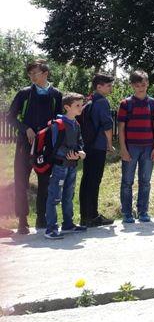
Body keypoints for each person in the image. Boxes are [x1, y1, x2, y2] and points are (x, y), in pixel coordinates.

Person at [8, 59, 63, 234]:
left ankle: (42, 218)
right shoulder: (24, 94)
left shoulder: (56, 94)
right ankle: (22, 221)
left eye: (35, 73)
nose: (32, 76)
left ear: (45, 74)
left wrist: (50, 134)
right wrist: (26, 129)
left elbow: (59, 119)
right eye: (29, 73)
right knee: (21, 181)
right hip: (25, 145)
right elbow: (10, 117)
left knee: (44, 182)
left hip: (45, 147)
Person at [42, 93, 88, 239]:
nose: (80, 108)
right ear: (67, 107)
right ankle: (50, 229)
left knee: (68, 195)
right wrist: (72, 153)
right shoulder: (58, 124)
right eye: (77, 105)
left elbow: (80, 143)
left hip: (72, 165)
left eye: (81, 105)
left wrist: (80, 153)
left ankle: (68, 224)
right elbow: (56, 145)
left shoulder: (76, 124)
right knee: (54, 196)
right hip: (60, 167)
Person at [118, 70, 154, 223]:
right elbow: (121, 128)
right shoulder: (125, 104)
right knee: (127, 181)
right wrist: (123, 149)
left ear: (147, 84)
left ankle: (143, 211)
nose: (140, 88)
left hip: (148, 147)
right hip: (131, 147)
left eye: (143, 85)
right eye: (137, 85)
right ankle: (127, 213)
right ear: (132, 86)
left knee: (145, 181)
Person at [79, 73, 115, 227]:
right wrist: (109, 144)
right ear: (99, 87)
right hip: (98, 146)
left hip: (88, 146)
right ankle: (92, 217)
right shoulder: (102, 102)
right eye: (108, 85)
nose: (111, 88)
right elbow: (107, 125)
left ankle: (85, 216)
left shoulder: (89, 100)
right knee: (94, 181)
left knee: (86, 180)